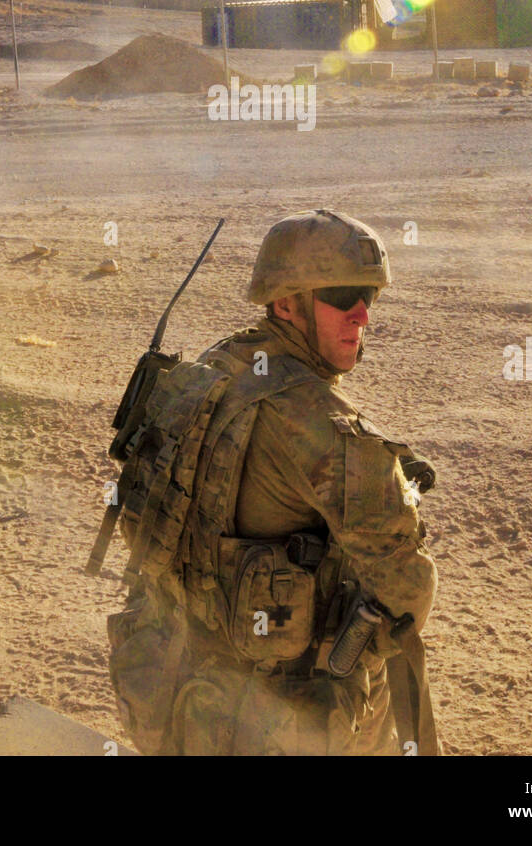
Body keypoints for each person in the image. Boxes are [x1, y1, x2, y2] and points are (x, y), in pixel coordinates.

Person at [108, 209, 440, 756]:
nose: (361, 314)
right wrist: (349, 642)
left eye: (369, 296)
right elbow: (408, 590)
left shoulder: (214, 368)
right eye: (341, 295)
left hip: (177, 688)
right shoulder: (319, 424)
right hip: (275, 721)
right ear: (286, 304)